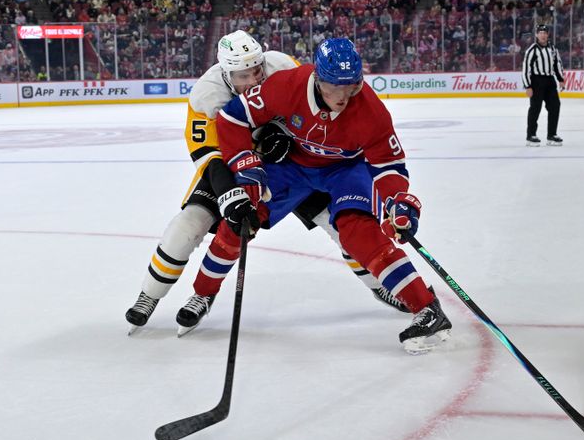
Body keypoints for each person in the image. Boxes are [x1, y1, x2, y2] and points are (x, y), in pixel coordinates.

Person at [125, 31, 406, 335]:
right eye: (243, 75)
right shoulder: (207, 95)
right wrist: (231, 194)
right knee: (188, 225)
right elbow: (209, 156)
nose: (254, 79)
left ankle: (380, 285)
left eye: (257, 70)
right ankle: (153, 295)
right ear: (226, 73)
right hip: (232, 167)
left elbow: (311, 107)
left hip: (294, 164)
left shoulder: (282, 66)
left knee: (344, 225)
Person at [184, 37, 452, 354]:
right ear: (317, 78)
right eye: (334, 87)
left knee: (358, 233)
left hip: (345, 169)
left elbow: (389, 165)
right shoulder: (287, 85)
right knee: (241, 219)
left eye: (351, 87)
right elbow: (232, 117)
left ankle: (426, 307)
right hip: (293, 164)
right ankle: (203, 293)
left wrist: (398, 201)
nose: (343, 97)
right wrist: (244, 161)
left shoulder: (372, 112)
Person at [522, 24, 565, 146]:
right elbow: (526, 68)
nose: (543, 35)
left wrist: (561, 79)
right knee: (535, 108)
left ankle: (552, 135)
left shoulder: (552, 48)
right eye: (540, 32)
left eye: (545, 32)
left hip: (550, 81)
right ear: (536, 35)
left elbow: (557, 64)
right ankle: (531, 135)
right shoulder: (532, 50)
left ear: (548, 35)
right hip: (537, 81)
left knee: (555, 106)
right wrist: (528, 86)